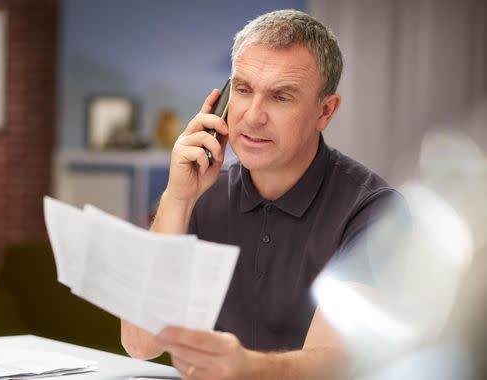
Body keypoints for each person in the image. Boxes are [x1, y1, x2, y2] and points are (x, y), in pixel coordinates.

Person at [121, 9, 404, 380]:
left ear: (325, 111)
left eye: (281, 97)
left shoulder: (374, 211)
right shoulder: (202, 193)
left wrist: (244, 367)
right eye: (242, 89)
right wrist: (177, 197)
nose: (253, 117)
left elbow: (335, 362)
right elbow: (141, 343)